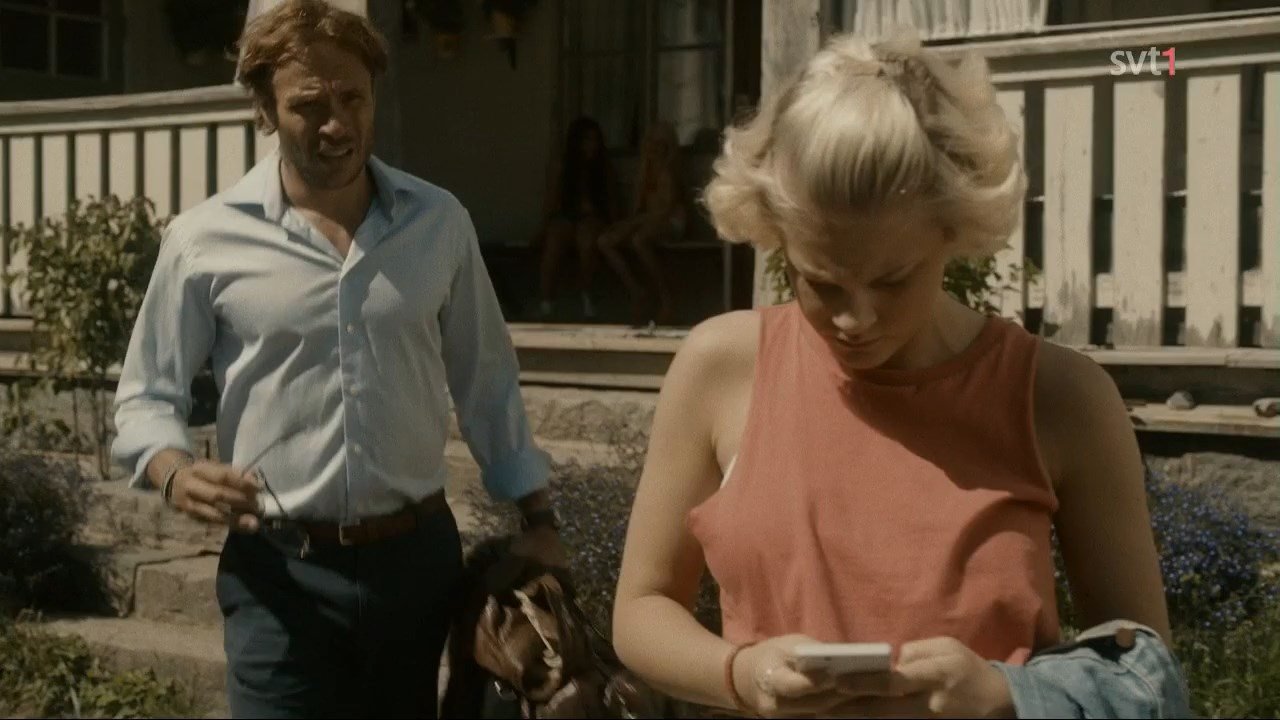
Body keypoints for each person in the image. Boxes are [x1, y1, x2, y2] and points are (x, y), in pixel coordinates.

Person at [611, 31, 1185, 718]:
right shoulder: (720, 369)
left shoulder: (1059, 397)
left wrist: (1005, 695)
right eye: (820, 281)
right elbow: (642, 607)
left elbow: (1147, 677)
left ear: (955, 227)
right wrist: (742, 673)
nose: (855, 320)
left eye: (892, 280)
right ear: (777, 235)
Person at [111, 2, 563, 717]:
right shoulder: (204, 240)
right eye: (309, 105)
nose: (337, 125)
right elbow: (145, 395)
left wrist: (539, 518)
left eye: (353, 98)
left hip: (415, 567)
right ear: (265, 110)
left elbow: (487, 380)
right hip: (278, 573)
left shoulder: (438, 223)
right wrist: (173, 471)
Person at [598, 121, 688, 326]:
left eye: (659, 145)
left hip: (671, 221)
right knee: (605, 241)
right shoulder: (644, 171)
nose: (653, 149)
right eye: (650, 144)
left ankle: (666, 297)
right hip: (646, 221)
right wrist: (625, 225)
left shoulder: (668, 172)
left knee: (639, 240)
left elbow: (665, 210)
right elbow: (638, 209)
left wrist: (632, 224)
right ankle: (636, 290)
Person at [537, 116, 620, 319]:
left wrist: (616, 224)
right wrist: (542, 227)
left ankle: (586, 294)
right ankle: (546, 301)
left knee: (587, 242)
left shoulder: (603, 167)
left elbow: (611, 200)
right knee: (553, 244)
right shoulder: (562, 165)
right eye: (586, 140)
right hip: (566, 216)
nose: (591, 145)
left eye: (595, 140)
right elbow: (551, 199)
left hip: (592, 217)